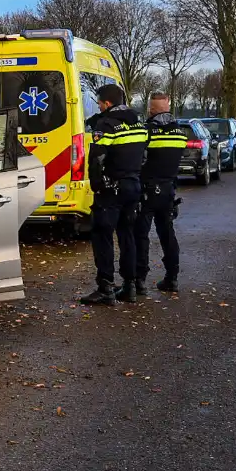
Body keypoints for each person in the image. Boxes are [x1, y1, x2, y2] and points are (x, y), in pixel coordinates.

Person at [80, 84, 148, 306]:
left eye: (99, 102)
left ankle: (106, 287)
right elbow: (144, 155)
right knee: (127, 235)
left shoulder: (106, 125)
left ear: (107, 103)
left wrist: (97, 185)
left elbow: (97, 159)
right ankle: (130, 286)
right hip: (133, 186)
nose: (98, 106)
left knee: (102, 236)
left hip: (111, 189)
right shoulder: (138, 123)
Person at [135, 92, 187, 294]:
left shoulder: (146, 132)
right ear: (168, 106)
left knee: (141, 236)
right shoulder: (180, 133)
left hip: (147, 190)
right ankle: (172, 278)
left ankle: (140, 280)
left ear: (150, 109)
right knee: (167, 235)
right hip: (168, 190)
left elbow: (139, 159)